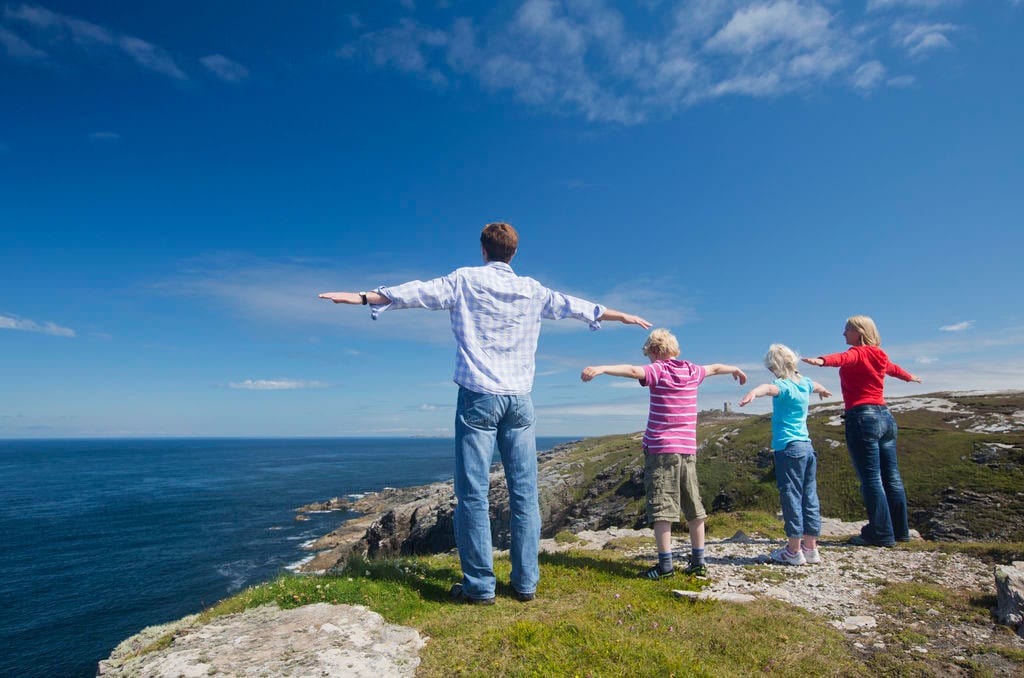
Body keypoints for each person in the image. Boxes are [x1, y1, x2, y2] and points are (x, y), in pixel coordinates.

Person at [319, 222, 651, 604]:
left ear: (483, 249)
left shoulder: (464, 280)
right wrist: (619, 315)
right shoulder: (533, 290)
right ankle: (525, 584)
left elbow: (418, 292)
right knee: (524, 493)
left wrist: (365, 297)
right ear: (514, 252)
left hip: (478, 398)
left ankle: (479, 587)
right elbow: (575, 306)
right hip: (519, 401)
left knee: (472, 494)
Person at [580, 328, 746, 579]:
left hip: (661, 449)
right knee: (693, 505)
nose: (648, 360)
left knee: (662, 507)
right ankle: (698, 561)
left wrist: (601, 368)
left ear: (655, 352)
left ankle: (665, 566)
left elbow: (634, 371)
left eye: (649, 355)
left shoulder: (659, 369)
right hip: (688, 450)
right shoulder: (691, 370)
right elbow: (714, 368)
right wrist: (735, 369)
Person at [801, 315, 922, 547]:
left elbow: (842, 358)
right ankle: (900, 531)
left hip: (862, 418)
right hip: (885, 417)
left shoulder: (858, 353)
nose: (844, 333)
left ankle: (880, 533)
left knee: (871, 479)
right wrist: (909, 377)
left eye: (847, 329)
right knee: (892, 476)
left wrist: (821, 361)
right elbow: (893, 369)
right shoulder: (881, 354)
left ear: (859, 331)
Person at [739, 344, 832, 565]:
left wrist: (753, 393)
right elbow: (816, 385)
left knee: (791, 496)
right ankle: (811, 548)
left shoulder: (784, 386)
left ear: (776, 366)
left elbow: (768, 389)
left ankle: (793, 550)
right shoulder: (805, 383)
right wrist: (824, 390)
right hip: (808, 447)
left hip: (788, 448)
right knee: (809, 496)